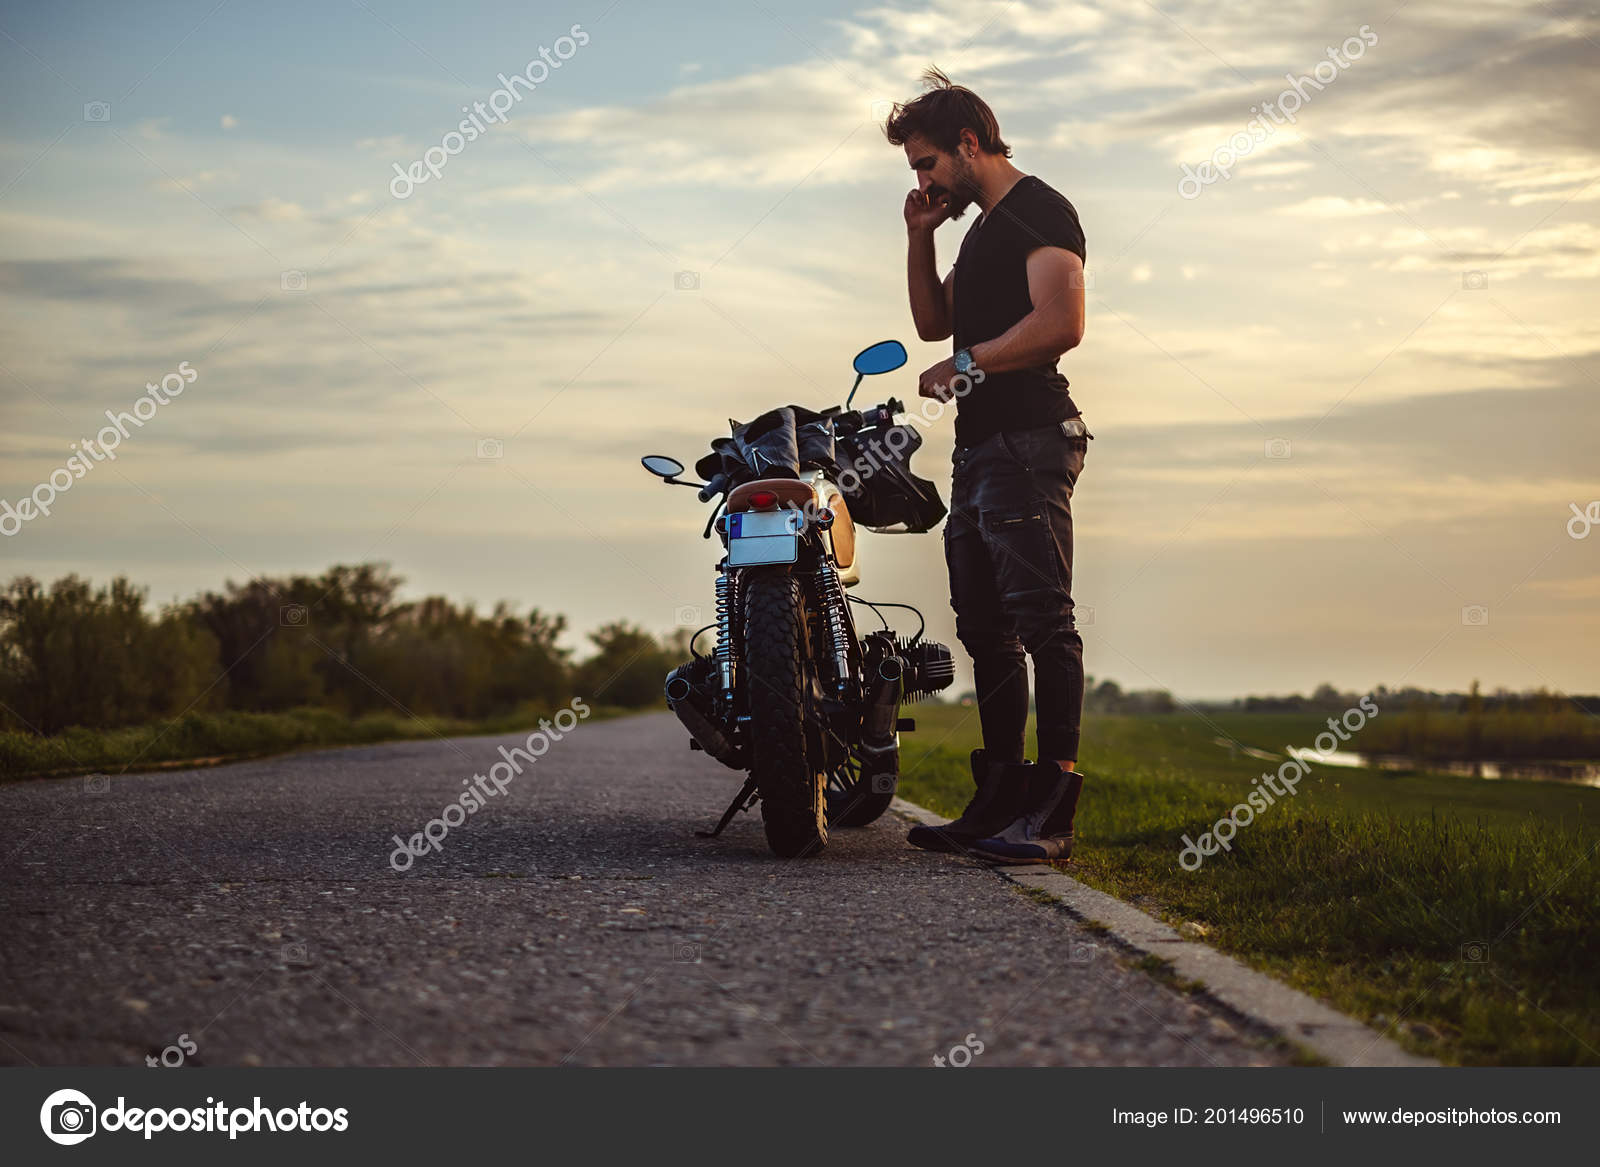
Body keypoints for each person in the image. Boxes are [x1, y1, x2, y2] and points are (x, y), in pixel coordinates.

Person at [886, 68, 1091, 864]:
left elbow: (1063, 324)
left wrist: (967, 364)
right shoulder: (974, 233)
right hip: (978, 450)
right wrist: (919, 235)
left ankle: (1052, 813)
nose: (923, 178)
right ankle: (999, 798)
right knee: (983, 627)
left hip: (1031, 439)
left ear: (969, 144)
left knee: (1045, 622)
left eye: (927, 163)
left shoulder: (1040, 210)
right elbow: (935, 320)